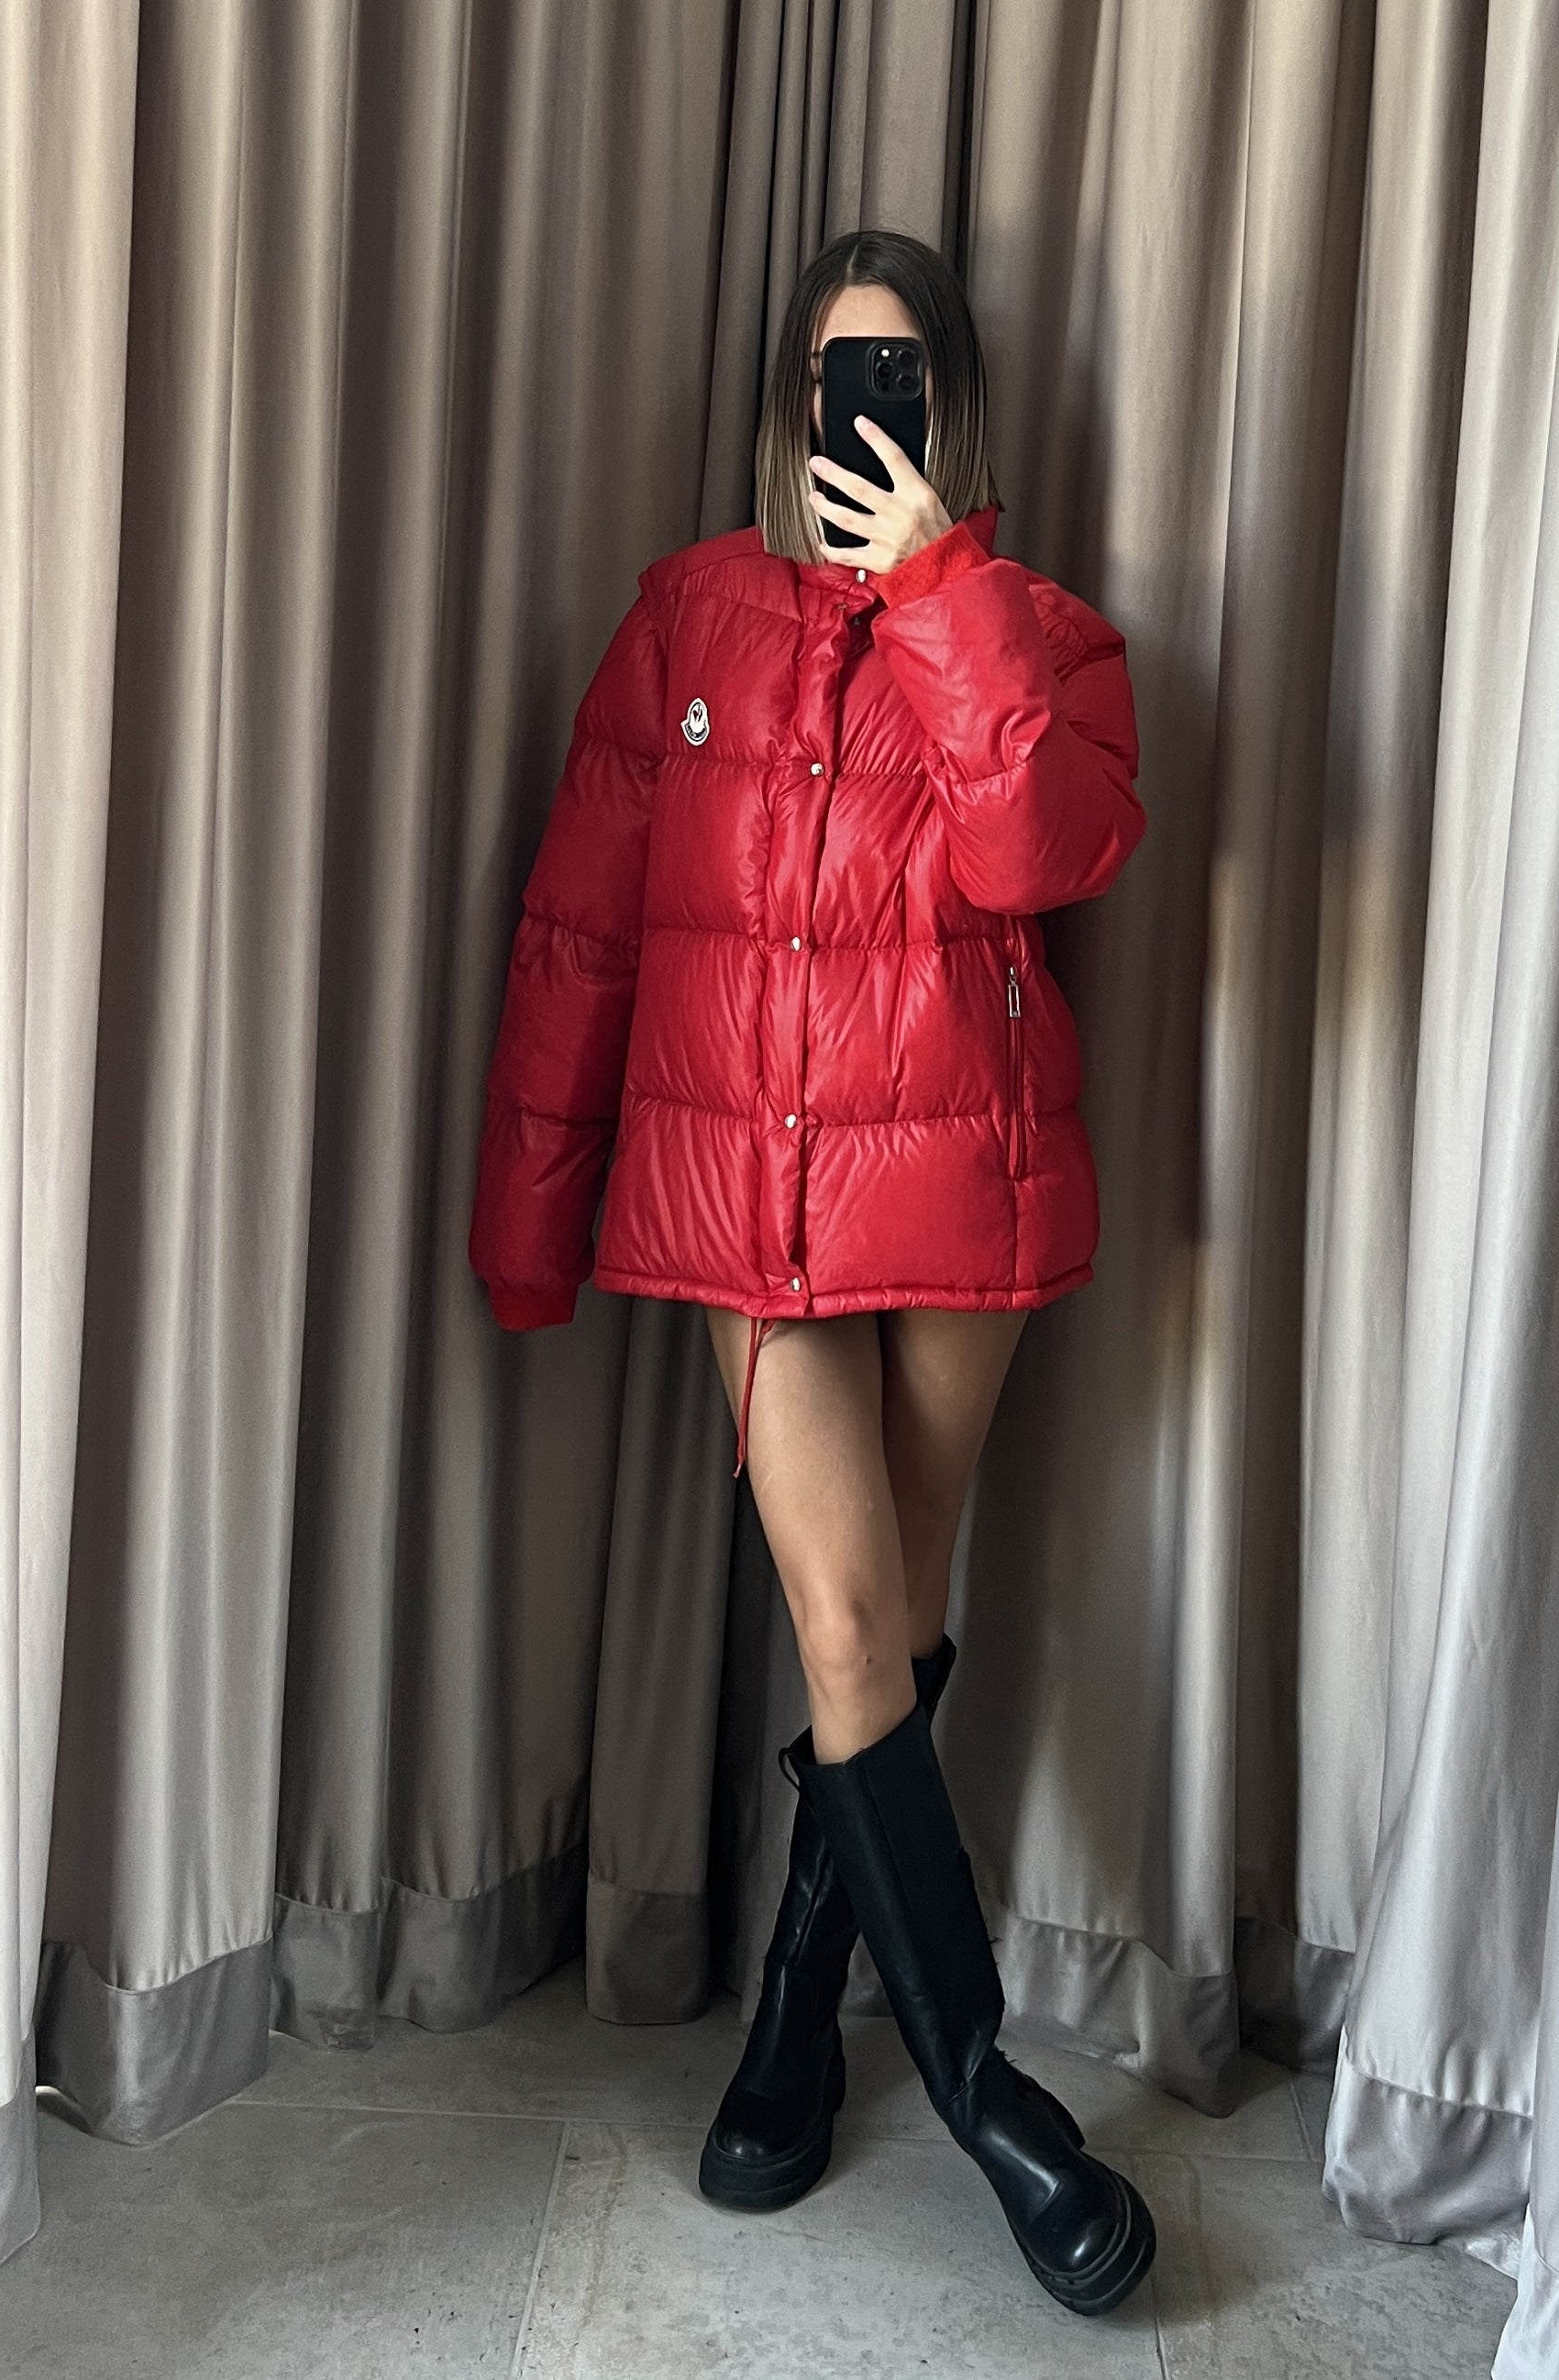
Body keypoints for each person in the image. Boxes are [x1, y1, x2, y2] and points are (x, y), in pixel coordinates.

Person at [467, 227, 1154, 2317]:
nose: (865, 410)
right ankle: (997, 2112)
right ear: (790, 400)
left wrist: (939, 585)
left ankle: (790, 2020)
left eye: (902, 377)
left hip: (959, 1185)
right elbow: (583, 931)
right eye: (837, 376)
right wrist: (529, 1217)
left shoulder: (1042, 635)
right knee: (849, 1623)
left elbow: (1041, 854)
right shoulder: (687, 612)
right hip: (744, 1199)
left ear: (949, 403)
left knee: (896, 1631)